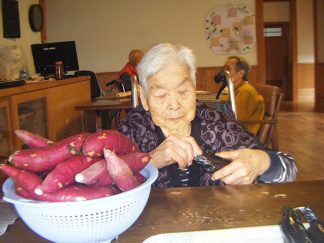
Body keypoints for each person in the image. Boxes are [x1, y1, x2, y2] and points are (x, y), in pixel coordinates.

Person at [118, 43, 297, 189]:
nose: (174, 105)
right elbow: (101, 185)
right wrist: (149, 162)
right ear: (144, 97)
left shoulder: (217, 124)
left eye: (183, 91)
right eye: (161, 95)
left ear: (194, 87)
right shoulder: (133, 128)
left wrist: (260, 161)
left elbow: (289, 169)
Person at [219, 56, 265, 135]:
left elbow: (235, 118)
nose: (224, 71)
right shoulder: (233, 89)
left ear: (240, 73)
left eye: (228, 68)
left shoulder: (245, 91)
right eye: (224, 68)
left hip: (242, 133)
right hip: (233, 128)